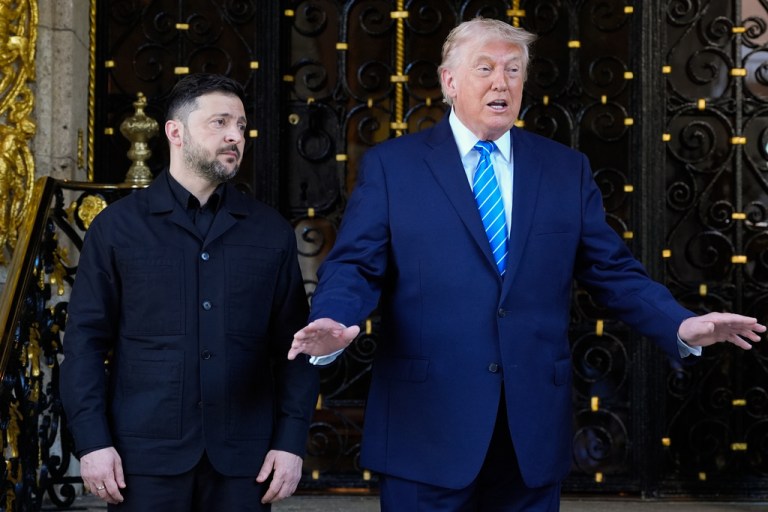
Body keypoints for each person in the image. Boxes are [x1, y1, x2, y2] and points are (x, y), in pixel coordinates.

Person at [287, 18, 766, 511]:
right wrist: (334, 319)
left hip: (531, 430)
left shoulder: (564, 168)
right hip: (426, 426)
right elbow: (356, 266)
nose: (502, 82)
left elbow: (613, 271)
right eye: (486, 68)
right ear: (450, 81)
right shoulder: (393, 166)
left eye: (514, 70)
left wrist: (681, 324)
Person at [60, 73, 319, 511]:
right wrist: (92, 443)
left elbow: (296, 350)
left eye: (240, 125)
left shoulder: (269, 231)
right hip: (140, 461)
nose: (235, 136)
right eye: (219, 123)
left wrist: (291, 442)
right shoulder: (116, 228)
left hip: (245, 464)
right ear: (175, 132)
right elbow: (84, 344)